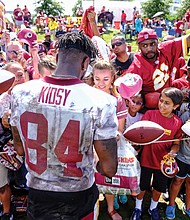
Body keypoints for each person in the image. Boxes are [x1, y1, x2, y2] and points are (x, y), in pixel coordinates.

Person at [10, 32, 118, 220]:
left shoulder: (21, 92)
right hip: (78, 193)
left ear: (58, 58)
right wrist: (96, 165)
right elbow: (109, 168)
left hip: (38, 191)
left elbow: (19, 149)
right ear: (85, 64)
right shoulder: (102, 101)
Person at [130, 87, 183, 220]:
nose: (162, 105)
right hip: (146, 159)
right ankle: (138, 207)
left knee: (158, 187)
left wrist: (172, 152)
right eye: (161, 100)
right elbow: (139, 135)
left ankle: (153, 207)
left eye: (167, 103)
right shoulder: (149, 115)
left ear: (175, 106)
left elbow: (176, 144)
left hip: (163, 164)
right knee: (142, 185)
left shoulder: (177, 122)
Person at [92, 60, 128, 220]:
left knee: (108, 177)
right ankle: (92, 208)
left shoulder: (118, 101)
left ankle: (111, 208)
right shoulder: (86, 95)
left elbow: (119, 129)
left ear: (112, 78)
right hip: (87, 146)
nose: (101, 83)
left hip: (107, 146)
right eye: (97, 78)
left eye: (105, 79)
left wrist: (114, 136)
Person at [126, 28, 190, 108]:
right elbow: (126, 93)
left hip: (169, 93)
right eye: (144, 45)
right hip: (149, 105)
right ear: (139, 47)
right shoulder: (136, 66)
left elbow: (187, 40)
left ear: (158, 43)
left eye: (152, 44)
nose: (149, 48)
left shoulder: (165, 49)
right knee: (152, 98)